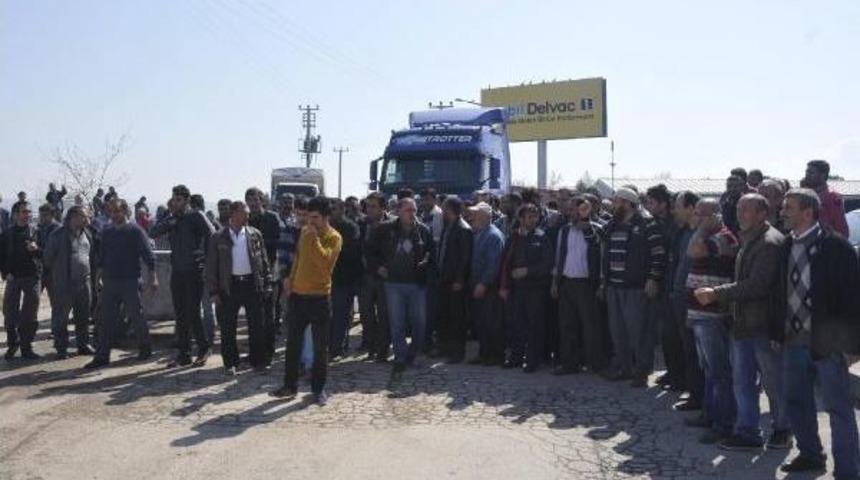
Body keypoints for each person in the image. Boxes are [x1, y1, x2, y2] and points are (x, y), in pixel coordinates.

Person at [695, 193, 792, 451]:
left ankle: (782, 429)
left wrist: (717, 293)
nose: (740, 213)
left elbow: (758, 286)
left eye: (747, 209)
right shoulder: (751, 237)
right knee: (743, 381)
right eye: (739, 208)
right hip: (743, 325)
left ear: (763, 213)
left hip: (762, 326)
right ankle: (748, 432)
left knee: (773, 383)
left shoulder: (770, 242)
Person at [775, 188, 860, 477]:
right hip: (793, 341)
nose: (783, 212)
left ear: (808, 212)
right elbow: (779, 293)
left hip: (829, 344)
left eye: (789, 207)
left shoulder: (836, 248)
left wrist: (852, 346)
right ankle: (811, 455)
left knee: (838, 409)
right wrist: (778, 333)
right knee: (797, 401)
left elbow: (853, 298)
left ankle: (848, 470)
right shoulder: (786, 245)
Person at [271, 197, 342, 405]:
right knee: (293, 345)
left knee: (320, 348)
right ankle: (289, 386)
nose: (310, 222)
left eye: (315, 218)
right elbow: (298, 260)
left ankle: (318, 389)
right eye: (308, 217)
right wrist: (290, 283)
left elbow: (324, 263)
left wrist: (313, 239)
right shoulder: (304, 232)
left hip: (319, 298)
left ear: (326, 217)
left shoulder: (334, 237)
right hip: (298, 297)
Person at [684, 198, 738, 444]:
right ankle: (709, 414)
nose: (696, 218)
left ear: (716, 216)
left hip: (713, 314)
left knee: (719, 371)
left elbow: (692, 250)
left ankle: (723, 423)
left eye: (701, 214)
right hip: (700, 314)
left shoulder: (722, 238)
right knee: (709, 370)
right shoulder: (709, 236)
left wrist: (705, 227)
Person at [601, 187, 667, 387]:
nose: (614, 205)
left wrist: (653, 278)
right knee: (617, 330)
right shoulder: (612, 225)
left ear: (628, 203)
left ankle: (641, 370)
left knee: (639, 332)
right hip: (614, 286)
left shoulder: (647, 224)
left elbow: (658, 254)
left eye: (618, 201)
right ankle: (624, 367)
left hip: (637, 288)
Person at [84, 199, 157, 369]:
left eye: (117, 211)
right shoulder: (107, 231)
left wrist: (153, 277)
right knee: (105, 319)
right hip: (110, 280)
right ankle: (102, 355)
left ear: (125, 212)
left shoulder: (135, 231)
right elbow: (102, 256)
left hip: (130, 280)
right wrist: (99, 277)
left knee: (136, 316)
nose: (114, 215)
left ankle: (145, 349)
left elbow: (148, 254)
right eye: (111, 211)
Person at [366, 197, 434, 376]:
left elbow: (431, 254)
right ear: (398, 211)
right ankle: (400, 358)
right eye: (408, 210)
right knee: (397, 322)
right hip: (393, 284)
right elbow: (370, 252)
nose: (412, 214)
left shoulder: (423, 231)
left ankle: (413, 353)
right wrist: (378, 267)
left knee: (419, 322)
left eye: (414, 210)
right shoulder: (384, 229)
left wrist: (426, 263)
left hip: (416, 284)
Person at [149, 184, 215, 368]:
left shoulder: (196, 216)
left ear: (187, 200)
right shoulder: (173, 219)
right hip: (177, 271)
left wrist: (204, 257)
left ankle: (203, 349)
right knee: (180, 314)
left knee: (193, 313)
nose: (175, 203)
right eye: (173, 200)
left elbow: (212, 235)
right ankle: (183, 354)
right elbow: (152, 232)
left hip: (194, 271)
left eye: (178, 200)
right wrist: (170, 218)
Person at [206, 201, 271, 375]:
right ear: (233, 214)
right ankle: (230, 363)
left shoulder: (254, 234)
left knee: (257, 326)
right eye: (245, 213)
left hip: (251, 285)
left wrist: (267, 283)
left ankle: (258, 361)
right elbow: (211, 266)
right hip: (229, 287)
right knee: (228, 328)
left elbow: (263, 261)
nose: (248, 216)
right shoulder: (218, 237)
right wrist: (213, 291)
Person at [552, 196, 606, 375]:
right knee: (567, 325)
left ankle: (596, 364)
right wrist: (555, 282)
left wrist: (600, 284)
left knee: (591, 326)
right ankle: (570, 364)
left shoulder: (596, 230)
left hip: (586, 285)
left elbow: (601, 260)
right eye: (570, 209)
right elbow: (559, 257)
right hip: (566, 283)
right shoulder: (564, 230)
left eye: (576, 209)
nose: (571, 212)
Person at [499, 203, 554, 372]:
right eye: (529, 216)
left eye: (535, 216)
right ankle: (516, 357)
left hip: (535, 289)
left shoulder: (542, 237)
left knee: (535, 326)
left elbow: (547, 264)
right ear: (521, 218)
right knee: (516, 324)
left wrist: (528, 271)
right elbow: (505, 263)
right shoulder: (513, 237)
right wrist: (504, 285)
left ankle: (533, 360)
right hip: (516, 289)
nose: (533, 220)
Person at [669, 191, 706, 412]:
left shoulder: (703, 236)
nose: (675, 210)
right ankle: (695, 394)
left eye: (678, 206)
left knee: (697, 351)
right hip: (680, 298)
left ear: (692, 208)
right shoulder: (683, 233)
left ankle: (700, 398)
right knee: (688, 349)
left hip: (695, 301)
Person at [645, 184, 684, 390]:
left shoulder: (674, 225)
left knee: (674, 333)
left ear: (663, 203)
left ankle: (680, 376)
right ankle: (672, 371)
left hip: (672, 281)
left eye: (652, 202)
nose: (648, 206)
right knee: (666, 333)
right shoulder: (654, 223)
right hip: (662, 282)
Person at [43, 206, 96, 358]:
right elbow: (47, 258)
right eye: (84, 216)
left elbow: (91, 256)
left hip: (84, 282)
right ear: (73, 217)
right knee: (62, 317)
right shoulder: (58, 235)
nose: (87, 219)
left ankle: (83, 344)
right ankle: (61, 348)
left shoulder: (87, 233)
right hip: (64, 283)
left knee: (83, 316)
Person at [430, 197, 473, 363]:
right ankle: (444, 347)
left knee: (457, 318)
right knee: (443, 316)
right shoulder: (448, 227)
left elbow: (465, 258)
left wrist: (460, 280)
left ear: (450, 210)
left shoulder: (463, 229)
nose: (442, 212)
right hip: (444, 279)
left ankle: (457, 352)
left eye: (444, 209)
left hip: (455, 282)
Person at [0, 201, 43, 360]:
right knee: (10, 313)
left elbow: (47, 254)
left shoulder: (37, 232)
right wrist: (5, 273)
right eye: (24, 212)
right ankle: (13, 344)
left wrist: (36, 249)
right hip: (13, 277)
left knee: (30, 314)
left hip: (32, 276)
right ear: (15, 214)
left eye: (29, 212)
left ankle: (26, 346)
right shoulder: (7, 234)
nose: (27, 215)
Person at [466, 201, 506, 366]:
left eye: (475, 214)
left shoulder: (493, 236)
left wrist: (483, 283)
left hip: (489, 288)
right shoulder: (480, 233)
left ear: (483, 216)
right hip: (479, 285)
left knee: (492, 323)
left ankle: (495, 355)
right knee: (482, 322)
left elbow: (493, 264)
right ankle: (484, 353)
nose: (471, 216)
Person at [246, 187, 282, 366]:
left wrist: (259, 242)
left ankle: (268, 350)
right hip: (251, 274)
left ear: (262, 200)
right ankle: (256, 352)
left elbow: (280, 241)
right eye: (249, 200)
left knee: (269, 315)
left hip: (270, 273)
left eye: (255, 200)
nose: (252, 204)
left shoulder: (272, 218)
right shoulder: (246, 220)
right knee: (254, 317)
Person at [358, 193, 391, 362]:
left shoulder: (392, 225)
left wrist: (385, 267)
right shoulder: (362, 224)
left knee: (385, 314)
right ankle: (371, 347)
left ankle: (383, 350)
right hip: (366, 276)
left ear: (383, 208)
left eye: (373, 206)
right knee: (366, 314)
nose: (369, 210)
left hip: (385, 277)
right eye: (368, 206)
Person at [329, 199, 363, 359]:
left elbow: (352, 253)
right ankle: (332, 346)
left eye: (334, 208)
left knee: (341, 314)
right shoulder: (324, 226)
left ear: (342, 209)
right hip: (327, 278)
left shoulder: (351, 228)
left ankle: (337, 348)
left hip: (344, 278)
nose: (331, 211)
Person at [803, 159, 849, 238]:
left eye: (811, 173)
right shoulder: (806, 194)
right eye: (806, 172)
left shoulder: (832, 197)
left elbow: (842, 231)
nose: (807, 175)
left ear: (822, 175)